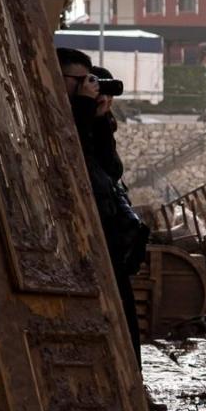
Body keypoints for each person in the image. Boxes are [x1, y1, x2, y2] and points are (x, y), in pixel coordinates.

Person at [58, 48, 149, 363]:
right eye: (80, 81)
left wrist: (97, 119)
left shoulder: (92, 121)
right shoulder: (56, 117)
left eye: (91, 81)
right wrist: (83, 107)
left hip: (105, 235)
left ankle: (130, 380)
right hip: (74, 239)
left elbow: (110, 170)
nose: (89, 87)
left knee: (120, 313)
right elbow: (71, 159)